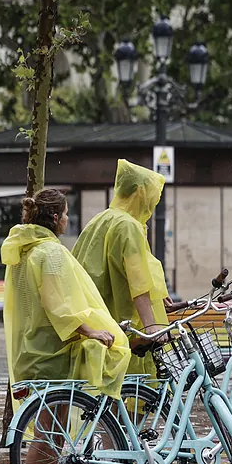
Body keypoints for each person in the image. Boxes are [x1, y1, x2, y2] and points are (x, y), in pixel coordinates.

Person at [2, 189, 131, 464]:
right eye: (66, 214)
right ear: (56, 217)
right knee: (48, 433)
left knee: (49, 432)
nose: (68, 219)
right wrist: (90, 330)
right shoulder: (50, 253)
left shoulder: (24, 250)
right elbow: (58, 304)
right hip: (53, 351)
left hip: (34, 347)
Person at [72, 160, 169, 376]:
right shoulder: (128, 226)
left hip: (96, 319)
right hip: (121, 324)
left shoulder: (99, 220)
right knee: (132, 388)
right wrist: (150, 325)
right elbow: (138, 280)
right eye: (151, 197)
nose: (152, 204)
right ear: (139, 193)